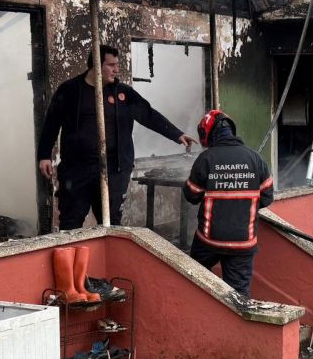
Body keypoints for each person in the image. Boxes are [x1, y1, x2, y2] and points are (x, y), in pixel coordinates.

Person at [37, 45, 196, 230]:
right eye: (111, 65)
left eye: (117, 64)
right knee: (70, 224)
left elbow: (148, 114)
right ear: (96, 65)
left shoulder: (123, 94)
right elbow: (51, 123)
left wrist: (176, 134)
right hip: (76, 170)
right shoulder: (69, 90)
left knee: (111, 224)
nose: (116, 69)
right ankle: (73, 258)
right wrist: (44, 155)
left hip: (114, 169)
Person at [183, 110, 274, 297]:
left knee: (194, 281)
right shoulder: (255, 159)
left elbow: (191, 196)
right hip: (243, 242)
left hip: (208, 241)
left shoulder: (206, 159)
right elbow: (266, 198)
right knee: (239, 296)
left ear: (207, 134)